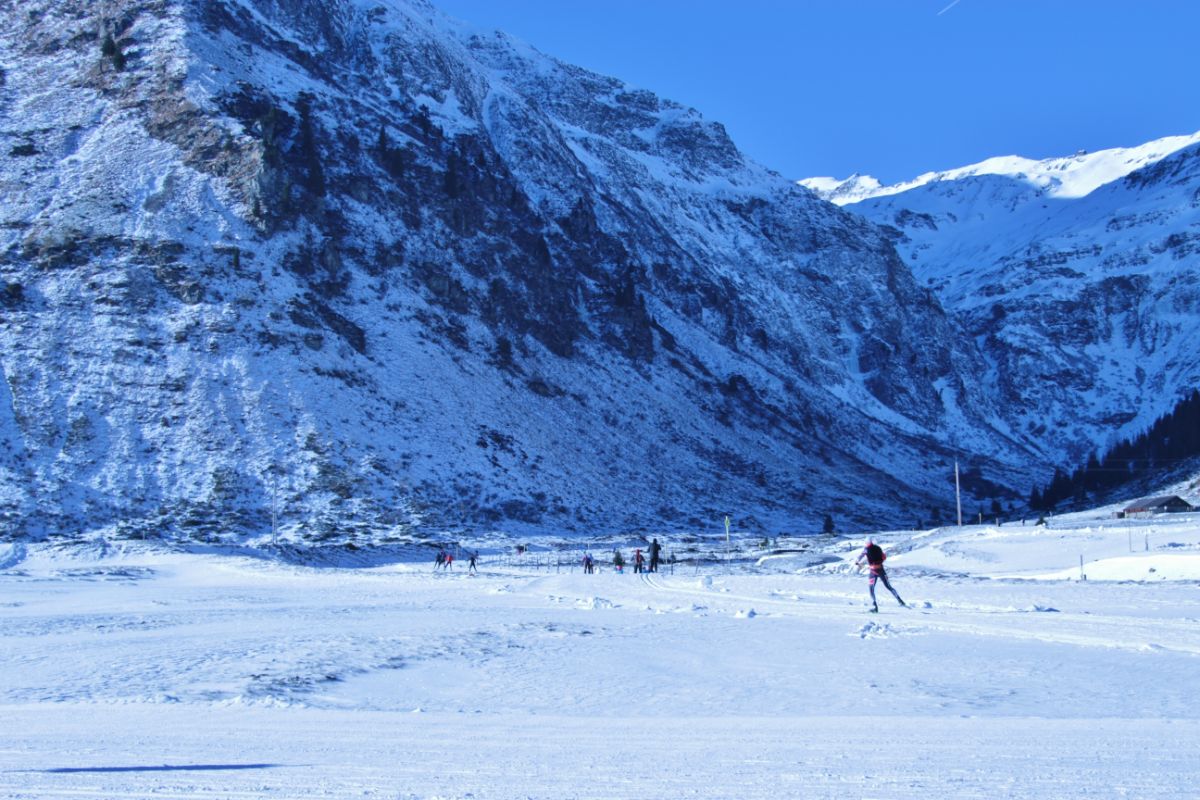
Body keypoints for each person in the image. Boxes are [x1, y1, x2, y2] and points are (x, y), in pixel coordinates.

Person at [854, 538, 904, 612]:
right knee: (889, 586)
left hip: (873, 571)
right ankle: (900, 601)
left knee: (871, 589)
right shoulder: (878, 548)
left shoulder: (866, 549)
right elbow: (884, 557)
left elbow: (860, 556)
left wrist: (857, 562)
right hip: (881, 570)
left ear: (867, 543)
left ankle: (875, 607)